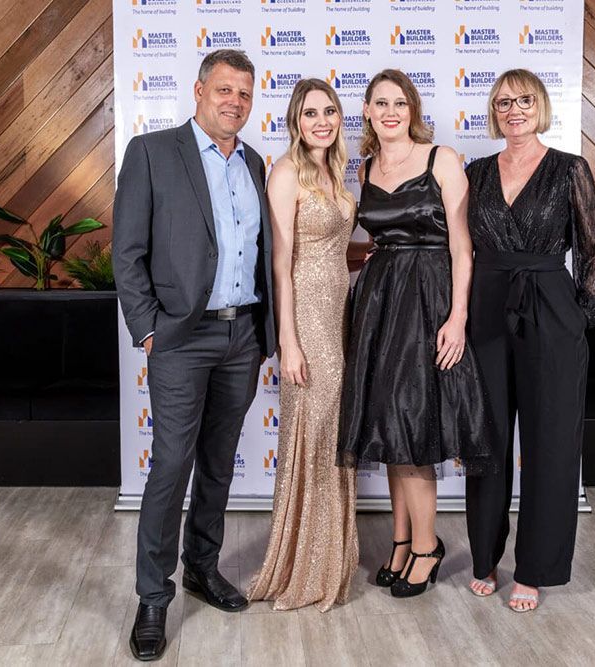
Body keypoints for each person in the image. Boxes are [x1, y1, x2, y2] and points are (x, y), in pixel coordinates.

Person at [113, 49, 275, 660]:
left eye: (245, 94)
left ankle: (203, 570)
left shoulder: (256, 163)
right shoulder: (153, 153)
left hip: (242, 336)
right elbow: (126, 251)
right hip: (181, 337)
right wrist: (149, 330)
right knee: (171, 466)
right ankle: (153, 596)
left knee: (217, 462)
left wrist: (266, 336)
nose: (235, 102)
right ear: (199, 90)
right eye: (224, 90)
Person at [336, 69, 494, 599]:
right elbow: (380, 241)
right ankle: (402, 543)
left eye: (399, 103)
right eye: (380, 102)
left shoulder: (441, 159)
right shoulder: (365, 165)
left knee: (412, 426)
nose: (390, 111)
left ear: (413, 109)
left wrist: (458, 316)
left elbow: (462, 247)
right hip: (380, 301)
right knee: (389, 425)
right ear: (367, 110)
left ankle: (427, 547)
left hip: (428, 300)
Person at [464, 69, 595, 612]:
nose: (514, 110)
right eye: (504, 102)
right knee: (488, 439)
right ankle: (484, 557)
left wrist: (576, 312)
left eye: (524, 100)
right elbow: (457, 246)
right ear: (495, 111)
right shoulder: (474, 172)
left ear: (541, 105)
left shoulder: (570, 168)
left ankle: (534, 568)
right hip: (486, 308)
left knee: (550, 443)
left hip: (549, 308)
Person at [246, 78, 359, 612]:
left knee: (334, 432)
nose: (321, 121)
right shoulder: (286, 172)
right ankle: (302, 565)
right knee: (311, 431)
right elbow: (280, 263)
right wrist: (288, 341)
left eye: (329, 111)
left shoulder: (339, 172)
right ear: (296, 120)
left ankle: (330, 559)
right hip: (307, 318)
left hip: (341, 312)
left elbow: (344, 251)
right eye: (310, 112)